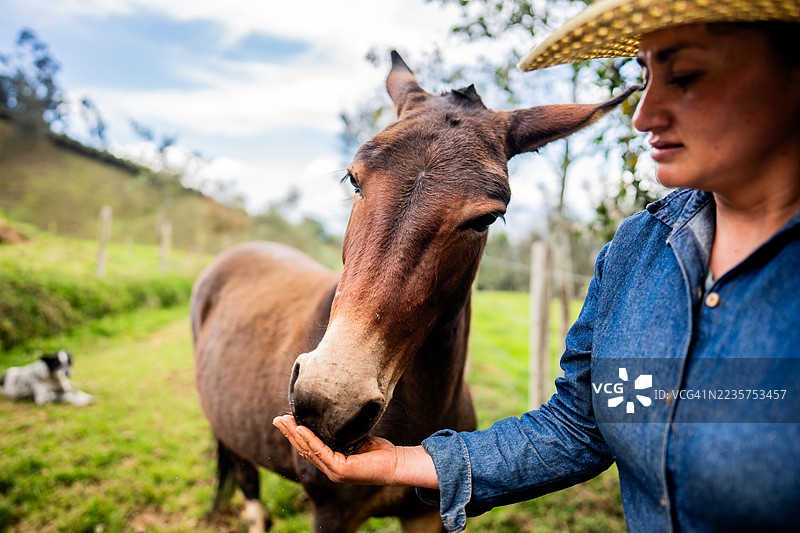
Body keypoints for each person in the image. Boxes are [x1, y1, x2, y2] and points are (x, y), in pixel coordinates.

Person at [275, 0, 800, 530]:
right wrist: (403, 461)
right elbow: (579, 425)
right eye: (645, 76)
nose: (643, 115)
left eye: (685, 75)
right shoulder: (637, 252)